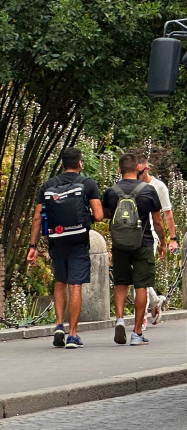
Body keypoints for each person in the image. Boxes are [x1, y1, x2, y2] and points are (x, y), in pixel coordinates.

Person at [27, 147, 103, 349]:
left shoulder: (48, 185)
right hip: (78, 241)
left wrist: (32, 245)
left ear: (62, 164)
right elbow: (98, 215)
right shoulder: (88, 184)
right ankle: (72, 335)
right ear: (80, 163)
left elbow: (37, 217)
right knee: (75, 285)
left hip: (57, 240)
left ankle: (59, 325)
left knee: (60, 281)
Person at [103, 152, 174, 346]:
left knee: (121, 282)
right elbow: (158, 222)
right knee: (141, 285)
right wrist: (163, 242)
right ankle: (137, 332)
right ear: (137, 169)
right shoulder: (148, 191)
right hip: (143, 242)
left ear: (119, 170)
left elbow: (106, 216)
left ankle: (119, 319)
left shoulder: (111, 191)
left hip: (119, 243)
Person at [137, 158, 177, 326]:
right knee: (138, 277)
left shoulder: (158, 186)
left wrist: (171, 239)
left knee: (142, 275)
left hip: (150, 234)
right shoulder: (129, 183)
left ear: (146, 169)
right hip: (132, 235)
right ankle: (155, 301)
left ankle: (142, 317)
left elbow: (167, 214)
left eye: (138, 171)